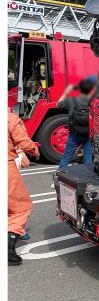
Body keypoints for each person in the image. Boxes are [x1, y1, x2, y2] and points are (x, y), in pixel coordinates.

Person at [8, 109, 40, 265]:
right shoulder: (9, 119)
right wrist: (35, 151)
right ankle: (8, 246)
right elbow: (24, 143)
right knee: (21, 206)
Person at [57, 77, 98, 168]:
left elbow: (58, 105)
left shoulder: (72, 100)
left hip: (74, 134)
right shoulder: (93, 101)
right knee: (88, 159)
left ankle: (62, 174)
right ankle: (88, 176)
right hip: (88, 135)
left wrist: (67, 92)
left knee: (66, 158)